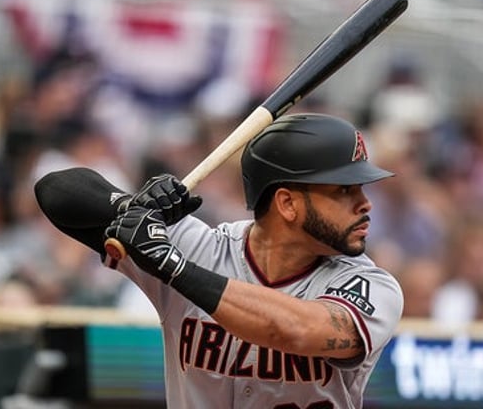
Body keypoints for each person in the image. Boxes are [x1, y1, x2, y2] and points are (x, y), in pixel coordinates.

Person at [35, 113, 404, 408]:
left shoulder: (371, 285)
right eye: (343, 190)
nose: (364, 203)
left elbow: (295, 330)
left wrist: (174, 268)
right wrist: (133, 208)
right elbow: (55, 192)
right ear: (287, 204)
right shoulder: (200, 247)